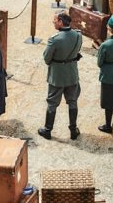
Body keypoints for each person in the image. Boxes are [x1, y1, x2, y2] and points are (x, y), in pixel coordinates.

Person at [38, 11, 83, 140]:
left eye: (55, 20)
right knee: (72, 101)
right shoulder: (78, 35)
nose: (53, 22)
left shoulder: (54, 40)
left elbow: (47, 59)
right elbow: (77, 50)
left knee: (52, 103)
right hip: (72, 74)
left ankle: (47, 130)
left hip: (57, 76)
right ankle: (73, 130)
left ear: (61, 22)